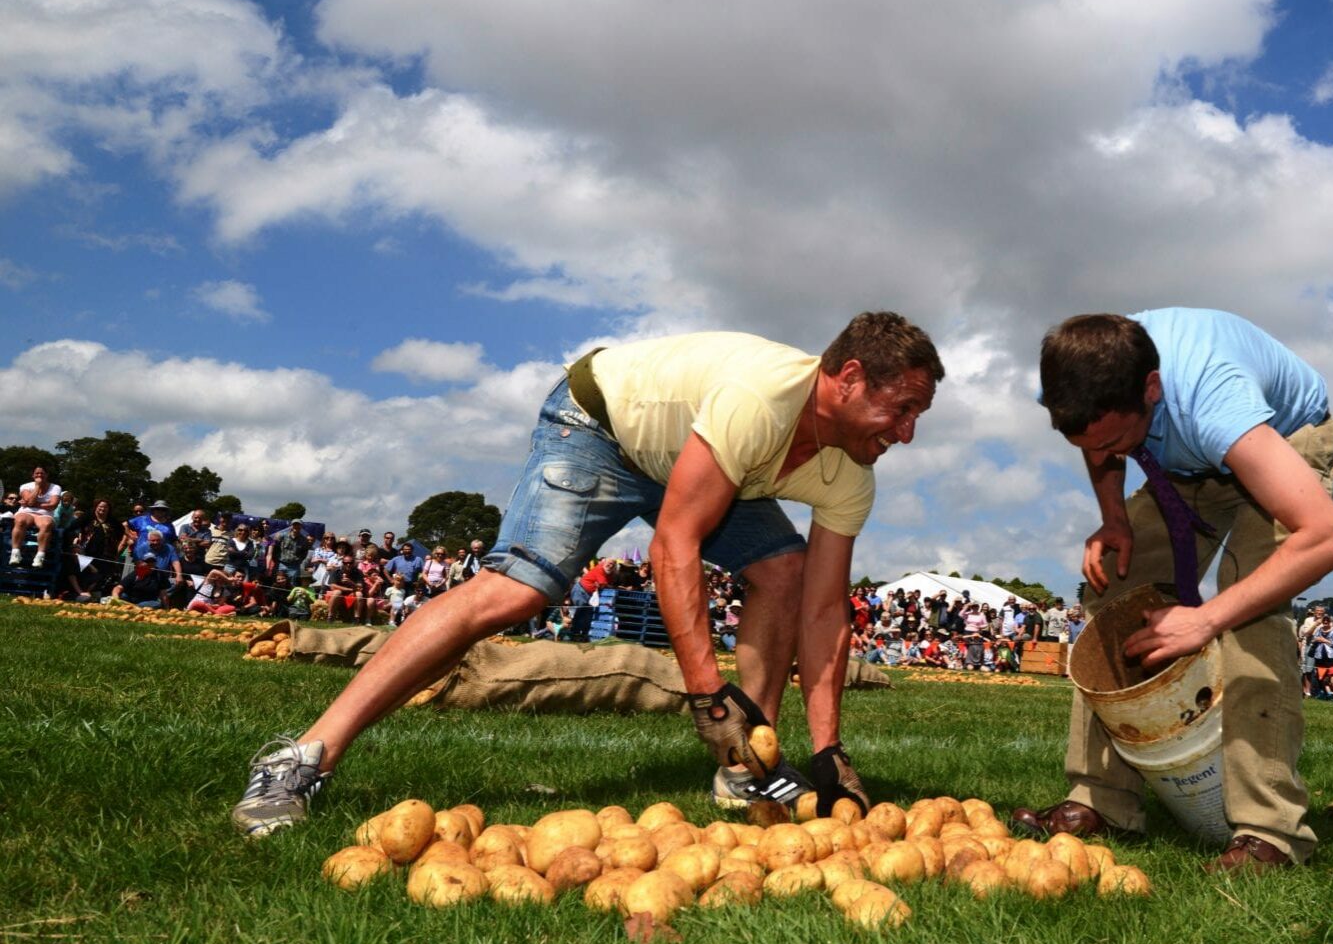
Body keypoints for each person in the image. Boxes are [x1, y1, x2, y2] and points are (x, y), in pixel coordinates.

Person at [231, 312, 943, 837]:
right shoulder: (761, 400)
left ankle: (744, 768)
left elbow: (824, 612)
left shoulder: (850, 470)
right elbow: (674, 546)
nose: (906, 432)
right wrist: (706, 696)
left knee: (786, 574)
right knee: (520, 591)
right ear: (848, 378)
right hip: (598, 426)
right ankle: (302, 757)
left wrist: (829, 751)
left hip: (692, 464)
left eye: (918, 415)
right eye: (902, 408)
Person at [1010, 309, 1333, 873]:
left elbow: (1329, 538)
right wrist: (1114, 518)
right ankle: (1101, 801)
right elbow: (1098, 444)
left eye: (1119, 437)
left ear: (1151, 388)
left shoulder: (1214, 402)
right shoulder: (1077, 380)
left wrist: (1206, 619)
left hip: (1282, 446)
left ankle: (1270, 834)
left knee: (1249, 615)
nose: (1107, 451)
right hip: (1186, 462)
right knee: (1114, 590)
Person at [10, 465, 62, 568]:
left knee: (47, 524)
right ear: (33, 475)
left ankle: (40, 555)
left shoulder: (56, 487)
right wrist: (37, 486)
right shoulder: (25, 486)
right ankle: (15, 553)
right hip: (26, 512)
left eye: (42, 473)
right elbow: (30, 501)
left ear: (47, 475)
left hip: (44, 514)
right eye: (37, 473)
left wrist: (33, 503)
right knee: (20, 520)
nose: (39, 475)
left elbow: (53, 505)